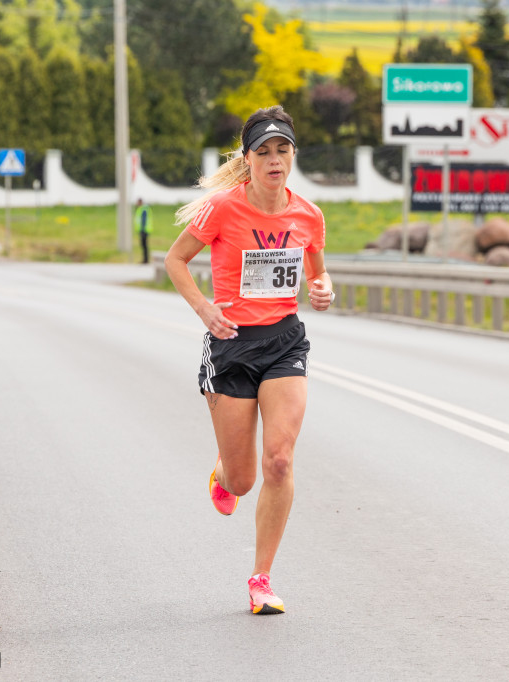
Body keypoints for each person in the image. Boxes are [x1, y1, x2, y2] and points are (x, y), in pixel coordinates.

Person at [165, 105, 334, 615]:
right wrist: (204, 308)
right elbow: (175, 260)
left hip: (284, 343)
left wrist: (324, 290)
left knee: (279, 460)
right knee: (243, 480)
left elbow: (318, 274)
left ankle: (261, 579)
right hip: (232, 345)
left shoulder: (308, 215)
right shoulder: (222, 209)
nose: (275, 160)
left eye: (283, 150)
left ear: (293, 155)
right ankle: (224, 472)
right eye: (264, 151)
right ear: (248, 159)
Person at [134, 198, 152, 264]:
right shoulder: (142, 209)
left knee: (144, 245)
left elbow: (143, 220)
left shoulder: (143, 209)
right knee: (143, 245)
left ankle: (146, 260)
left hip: (144, 230)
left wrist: (142, 230)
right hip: (144, 230)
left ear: (140, 202)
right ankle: (145, 259)